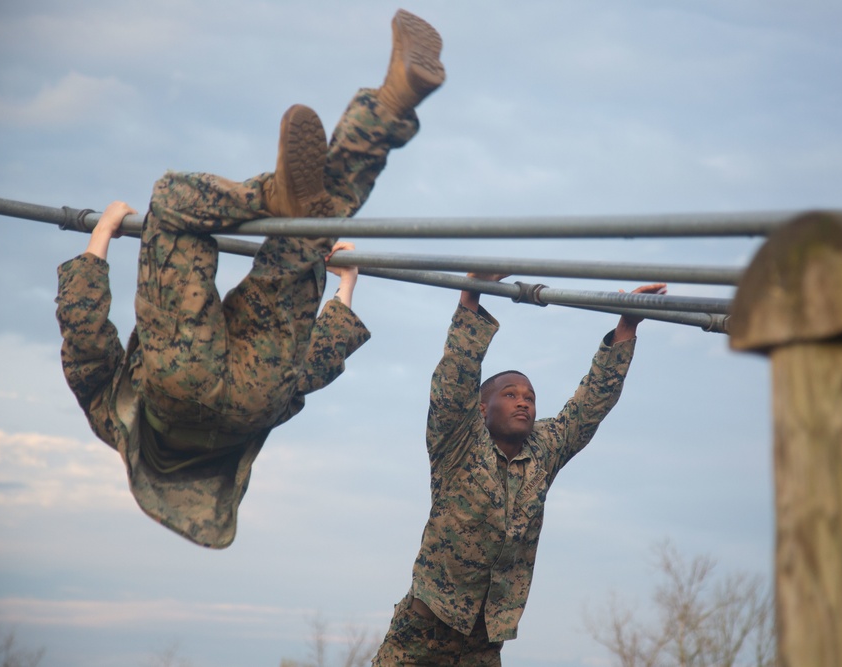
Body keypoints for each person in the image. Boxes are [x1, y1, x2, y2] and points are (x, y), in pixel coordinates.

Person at [55, 9, 446, 549]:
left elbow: (310, 370)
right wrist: (100, 236)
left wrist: (345, 287)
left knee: (312, 225)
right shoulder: (112, 426)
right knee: (173, 205)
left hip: (254, 402)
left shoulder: (242, 441)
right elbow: (84, 340)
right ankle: (270, 194)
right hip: (179, 382)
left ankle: (390, 104)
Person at [372, 274, 668, 665]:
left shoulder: (543, 450)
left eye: (529, 396)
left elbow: (589, 405)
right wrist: (470, 297)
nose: (523, 402)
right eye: (510, 395)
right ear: (482, 408)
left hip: (483, 639)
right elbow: (453, 382)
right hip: (426, 629)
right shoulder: (458, 443)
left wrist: (626, 327)